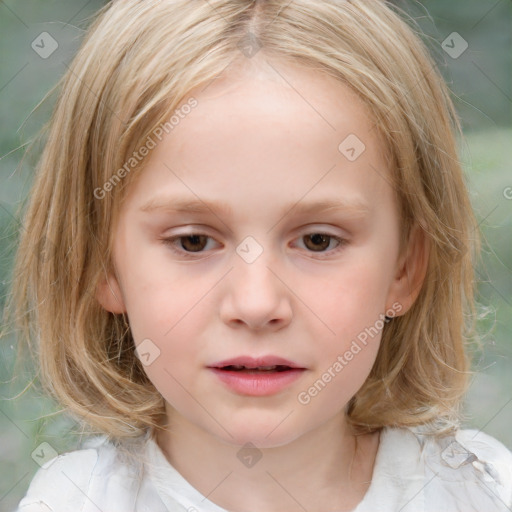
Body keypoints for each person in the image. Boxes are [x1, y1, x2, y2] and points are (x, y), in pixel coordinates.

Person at [9, 0, 512, 510]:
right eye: (193, 241)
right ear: (102, 262)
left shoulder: (481, 490)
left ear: (405, 268)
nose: (255, 303)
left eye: (318, 241)